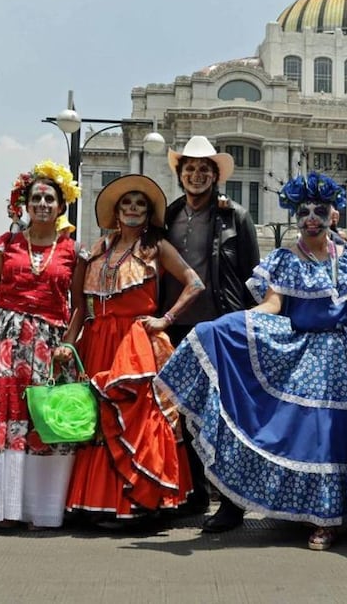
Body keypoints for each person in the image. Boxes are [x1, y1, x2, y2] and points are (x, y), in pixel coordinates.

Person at [156, 172, 347, 551]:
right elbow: (273, 304)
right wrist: (234, 324)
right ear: (294, 216)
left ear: (334, 215)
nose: (312, 217)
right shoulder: (285, 259)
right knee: (311, 433)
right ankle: (315, 514)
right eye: (304, 211)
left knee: (339, 434)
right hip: (307, 351)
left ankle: (337, 517)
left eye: (320, 210)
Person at [62, 174, 203, 522]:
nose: (133, 209)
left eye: (140, 204)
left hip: (136, 342)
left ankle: (142, 500)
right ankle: (97, 503)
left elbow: (194, 283)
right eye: (127, 203)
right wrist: (68, 342)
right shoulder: (96, 250)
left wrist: (165, 319)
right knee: (98, 418)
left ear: (149, 212)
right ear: (116, 210)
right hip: (98, 340)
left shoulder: (156, 247)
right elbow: (80, 304)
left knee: (140, 419)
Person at [0, 161, 80, 529]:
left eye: (49, 198)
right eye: (36, 198)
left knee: (41, 422)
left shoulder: (73, 250)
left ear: (60, 206)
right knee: (3, 420)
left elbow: (79, 306)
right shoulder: (5, 244)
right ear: (25, 205)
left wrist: (68, 345)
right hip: (4, 342)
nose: (42, 204)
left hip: (48, 345)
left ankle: (37, 509)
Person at [161, 135, 260, 518]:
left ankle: (231, 501)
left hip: (220, 324)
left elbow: (252, 276)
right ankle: (196, 492)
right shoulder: (168, 216)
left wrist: (249, 325)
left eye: (205, 169)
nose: (197, 175)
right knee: (183, 410)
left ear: (215, 175)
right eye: (190, 168)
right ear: (180, 174)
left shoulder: (234, 215)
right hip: (176, 324)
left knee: (224, 412)